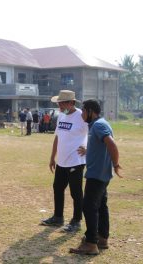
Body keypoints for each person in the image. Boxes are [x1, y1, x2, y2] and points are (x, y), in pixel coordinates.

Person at [70, 99, 122, 255]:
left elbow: (112, 144)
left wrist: (116, 164)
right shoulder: (97, 124)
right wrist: (88, 151)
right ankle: (102, 238)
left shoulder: (99, 125)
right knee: (100, 205)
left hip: (97, 174)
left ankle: (91, 243)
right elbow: (101, 144)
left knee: (88, 206)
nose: (82, 114)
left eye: (84, 111)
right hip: (100, 173)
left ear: (91, 111)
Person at [41, 90, 88, 233]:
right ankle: (58, 217)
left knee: (76, 192)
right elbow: (57, 137)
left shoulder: (81, 116)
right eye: (59, 104)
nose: (60, 107)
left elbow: (93, 132)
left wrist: (87, 148)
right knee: (57, 188)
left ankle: (76, 221)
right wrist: (52, 157)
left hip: (76, 161)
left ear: (72, 103)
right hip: (62, 161)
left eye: (62, 104)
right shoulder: (61, 116)